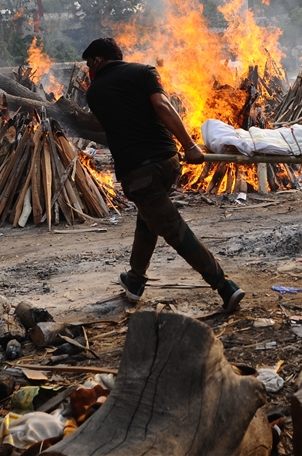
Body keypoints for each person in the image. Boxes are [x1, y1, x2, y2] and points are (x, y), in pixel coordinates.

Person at [82, 38, 244, 311]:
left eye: (89, 64)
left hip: (138, 174)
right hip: (168, 164)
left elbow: (131, 117)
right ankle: (135, 281)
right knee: (148, 219)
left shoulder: (94, 92)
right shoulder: (145, 72)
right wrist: (188, 146)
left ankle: (223, 286)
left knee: (173, 229)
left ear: (98, 61)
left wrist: (191, 146)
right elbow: (162, 106)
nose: (89, 70)